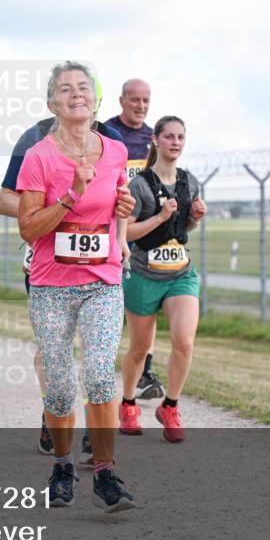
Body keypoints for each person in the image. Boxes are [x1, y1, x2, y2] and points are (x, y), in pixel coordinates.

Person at [16, 61, 136, 512]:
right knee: (61, 385)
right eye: (65, 89)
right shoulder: (39, 157)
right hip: (51, 285)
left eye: (83, 87)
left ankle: (105, 474)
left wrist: (122, 212)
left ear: (95, 99)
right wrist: (69, 196)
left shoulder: (116, 151)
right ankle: (63, 466)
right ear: (52, 103)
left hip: (102, 281)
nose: (76, 94)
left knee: (101, 375)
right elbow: (29, 228)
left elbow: (117, 205)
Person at [119, 115, 206, 442]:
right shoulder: (140, 185)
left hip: (180, 274)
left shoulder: (190, 182)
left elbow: (182, 229)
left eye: (180, 137)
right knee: (140, 349)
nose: (175, 142)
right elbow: (127, 233)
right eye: (169, 136)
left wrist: (194, 217)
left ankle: (170, 406)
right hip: (143, 276)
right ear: (156, 140)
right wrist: (160, 216)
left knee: (184, 342)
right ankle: (128, 403)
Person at [104, 78, 165, 402]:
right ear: (121, 101)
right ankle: (105, 367)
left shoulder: (153, 138)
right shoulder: (107, 133)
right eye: (135, 100)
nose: (141, 106)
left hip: (143, 231)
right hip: (110, 227)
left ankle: (146, 372)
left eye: (146, 100)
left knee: (146, 304)